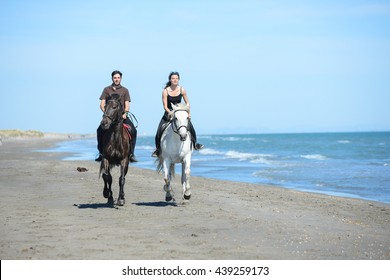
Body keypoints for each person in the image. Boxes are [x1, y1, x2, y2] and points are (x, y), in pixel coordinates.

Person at [152, 71, 203, 157]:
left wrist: (188, 113)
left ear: (178, 79)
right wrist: (171, 113)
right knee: (159, 130)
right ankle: (157, 150)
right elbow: (165, 106)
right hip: (169, 113)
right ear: (170, 80)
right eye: (173, 78)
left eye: (176, 78)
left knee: (191, 128)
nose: (175, 80)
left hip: (180, 113)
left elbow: (187, 103)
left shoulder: (182, 89)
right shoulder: (165, 91)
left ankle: (195, 145)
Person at [95, 70, 137, 162]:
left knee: (133, 130)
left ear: (121, 78)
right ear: (112, 78)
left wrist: (125, 113)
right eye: (115, 78)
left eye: (118, 78)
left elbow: (127, 104)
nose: (116, 79)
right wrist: (107, 113)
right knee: (99, 131)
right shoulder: (107, 90)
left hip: (122, 117)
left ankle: (131, 154)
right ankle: (101, 153)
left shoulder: (125, 90)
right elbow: (102, 104)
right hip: (109, 117)